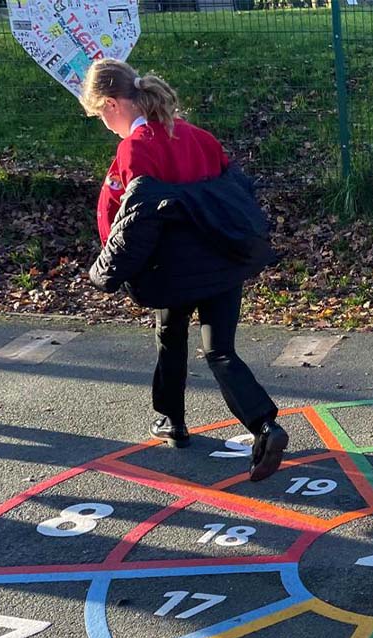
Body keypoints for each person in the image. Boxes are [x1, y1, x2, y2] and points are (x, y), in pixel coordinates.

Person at [81, 58, 287, 481]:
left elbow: (135, 221)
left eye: (100, 114)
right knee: (221, 351)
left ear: (112, 104)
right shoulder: (200, 137)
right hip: (222, 263)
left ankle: (172, 421)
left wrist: (112, 270)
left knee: (170, 337)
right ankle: (265, 425)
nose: (105, 124)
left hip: (172, 269)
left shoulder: (135, 148)